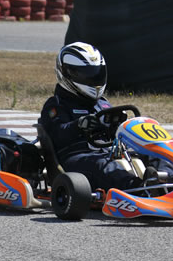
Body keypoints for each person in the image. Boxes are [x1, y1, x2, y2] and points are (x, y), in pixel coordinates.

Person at [38, 42, 159, 192]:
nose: (93, 79)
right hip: (75, 159)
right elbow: (56, 134)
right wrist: (79, 125)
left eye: (96, 73)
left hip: (108, 152)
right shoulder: (56, 105)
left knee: (153, 152)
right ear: (67, 74)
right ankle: (139, 189)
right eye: (86, 74)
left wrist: (117, 127)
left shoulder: (103, 104)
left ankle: (171, 180)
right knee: (102, 165)